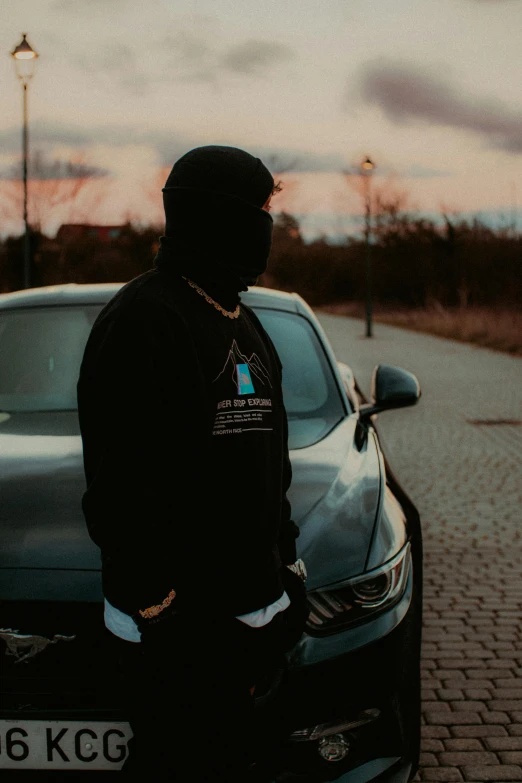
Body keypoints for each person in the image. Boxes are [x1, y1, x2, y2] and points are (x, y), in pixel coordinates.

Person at [77, 145, 309, 781]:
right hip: (178, 635)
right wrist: (161, 612)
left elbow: (267, 467)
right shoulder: (144, 319)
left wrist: (285, 570)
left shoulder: (246, 322)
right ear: (224, 215)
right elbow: (120, 488)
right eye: (264, 211)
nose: (271, 227)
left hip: (247, 617)